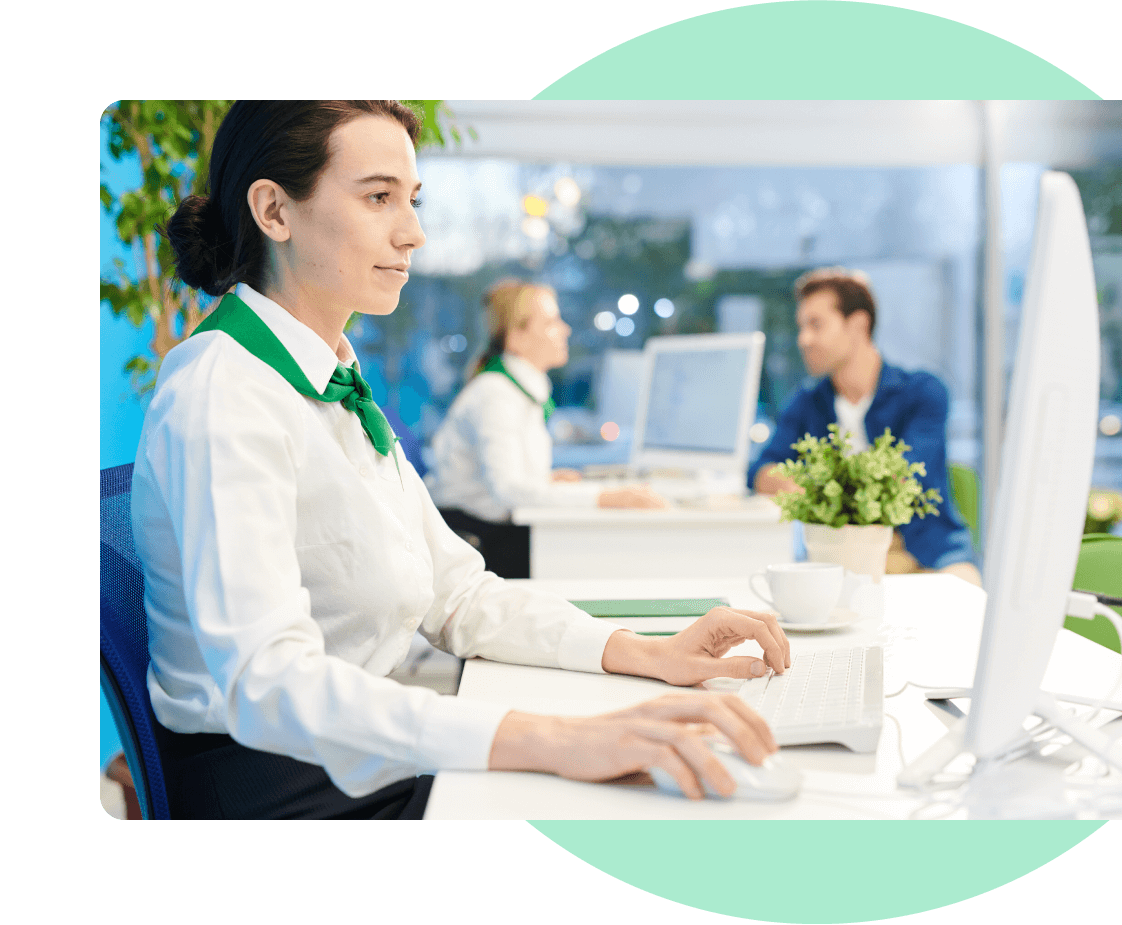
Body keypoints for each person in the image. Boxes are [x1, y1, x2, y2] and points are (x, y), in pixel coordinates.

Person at [136, 100, 790, 820]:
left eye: (412, 200)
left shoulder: (331, 382)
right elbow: (268, 683)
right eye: (378, 197)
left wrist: (642, 650)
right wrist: (552, 738)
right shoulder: (224, 393)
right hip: (286, 790)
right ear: (275, 211)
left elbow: (461, 595)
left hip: (358, 752)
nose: (414, 233)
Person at [749, 267, 982, 587]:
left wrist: (813, 487)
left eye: (816, 325)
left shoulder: (922, 392)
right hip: (837, 555)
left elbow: (906, 476)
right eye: (801, 327)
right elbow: (761, 469)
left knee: (965, 597)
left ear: (858, 325)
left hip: (924, 553)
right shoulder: (808, 401)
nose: (804, 339)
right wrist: (789, 481)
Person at [429, 279, 665, 578]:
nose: (565, 330)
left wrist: (544, 480)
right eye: (552, 322)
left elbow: (506, 480)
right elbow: (509, 490)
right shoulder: (495, 396)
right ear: (517, 338)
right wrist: (605, 497)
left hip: (492, 529)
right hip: (480, 542)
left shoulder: (517, 391)